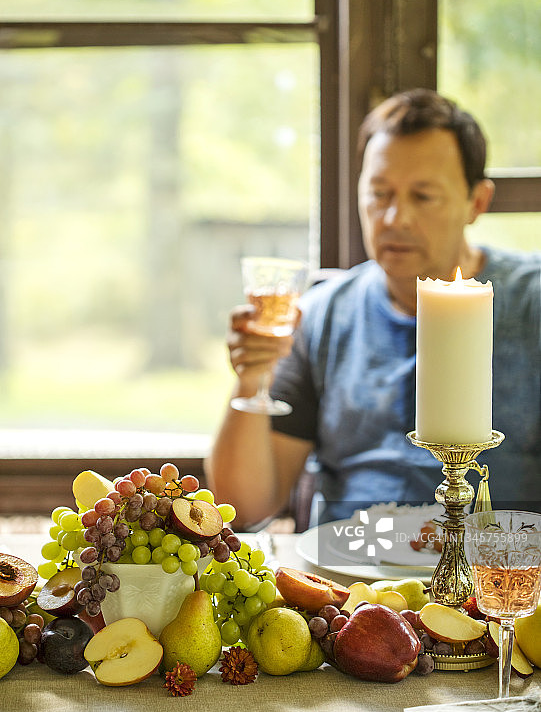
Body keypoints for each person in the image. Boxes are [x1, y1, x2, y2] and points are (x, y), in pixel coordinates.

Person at [205, 89, 541, 529]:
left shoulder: (530, 303)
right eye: (379, 193)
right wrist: (251, 378)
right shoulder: (321, 315)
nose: (394, 218)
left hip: (497, 579)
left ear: (476, 202)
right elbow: (242, 508)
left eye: (423, 196)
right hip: (349, 578)